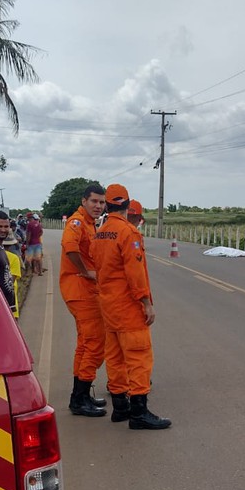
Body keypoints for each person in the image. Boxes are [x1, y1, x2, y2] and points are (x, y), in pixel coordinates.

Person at [90, 184, 171, 430]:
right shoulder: (128, 233)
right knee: (138, 356)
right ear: (126, 205)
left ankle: (120, 409)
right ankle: (139, 413)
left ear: (107, 204)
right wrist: (146, 303)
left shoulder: (100, 232)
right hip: (127, 305)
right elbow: (135, 274)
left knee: (115, 357)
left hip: (108, 305)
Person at [60, 184, 115, 418]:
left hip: (84, 290)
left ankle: (80, 396)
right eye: (94, 201)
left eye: (102, 202)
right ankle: (80, 398)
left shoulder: (91, 224)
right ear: (84, 201)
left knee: (85, 343)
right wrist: (85, 271)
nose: (98, 206)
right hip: (81, 290)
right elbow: (70, 247)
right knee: (95, 342)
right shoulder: (77, 222)